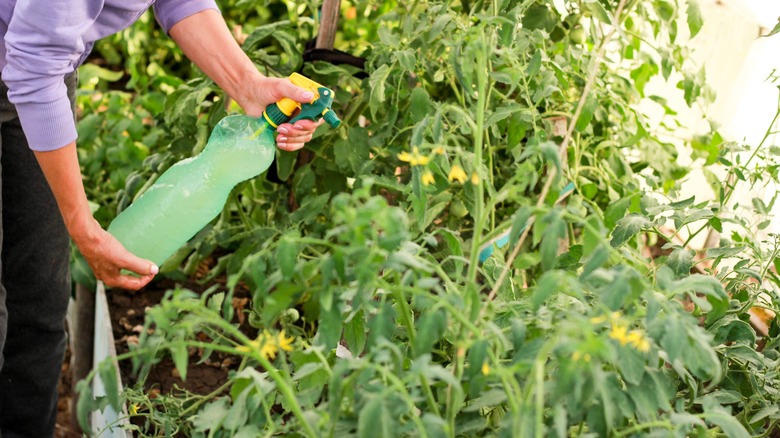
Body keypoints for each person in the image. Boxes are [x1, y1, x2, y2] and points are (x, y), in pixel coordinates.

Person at [0, 1, 323, 436]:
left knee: (40, 297)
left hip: (39, 71)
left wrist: (247, 85)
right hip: (32, 68)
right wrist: (83, 225)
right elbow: (33, 66)